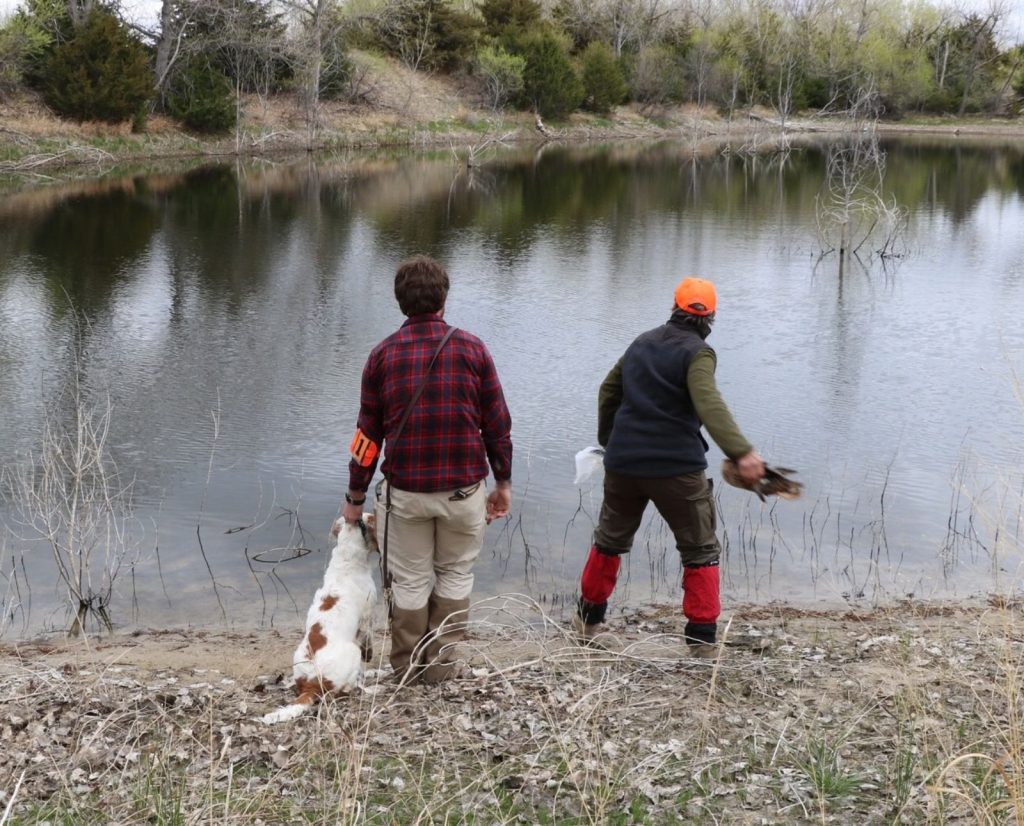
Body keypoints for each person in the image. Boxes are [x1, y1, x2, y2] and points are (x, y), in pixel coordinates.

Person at [340, 255, 513, 683]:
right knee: (455, 574)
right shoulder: (473, 349)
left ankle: (406, 669)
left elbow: (367, 437)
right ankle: (440, 667)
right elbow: (498, 425)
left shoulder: (381, 356)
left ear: (401, 302)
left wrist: (355, 498)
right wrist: (503, 481)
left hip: (406, 495)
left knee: (411, 579)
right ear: (444, 299)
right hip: (463, 493)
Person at [573, 277, 765, 656]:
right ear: (711, 316)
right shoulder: (698, 353)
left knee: (609, 541)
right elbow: (708, 403)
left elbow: (608, 390)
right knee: (700, 549)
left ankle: (586, 622)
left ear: (674, 307)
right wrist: (741, 452)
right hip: (676, 468)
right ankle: (702, 642)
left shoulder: (642, 342)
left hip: (624, 465)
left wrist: (612, 442)